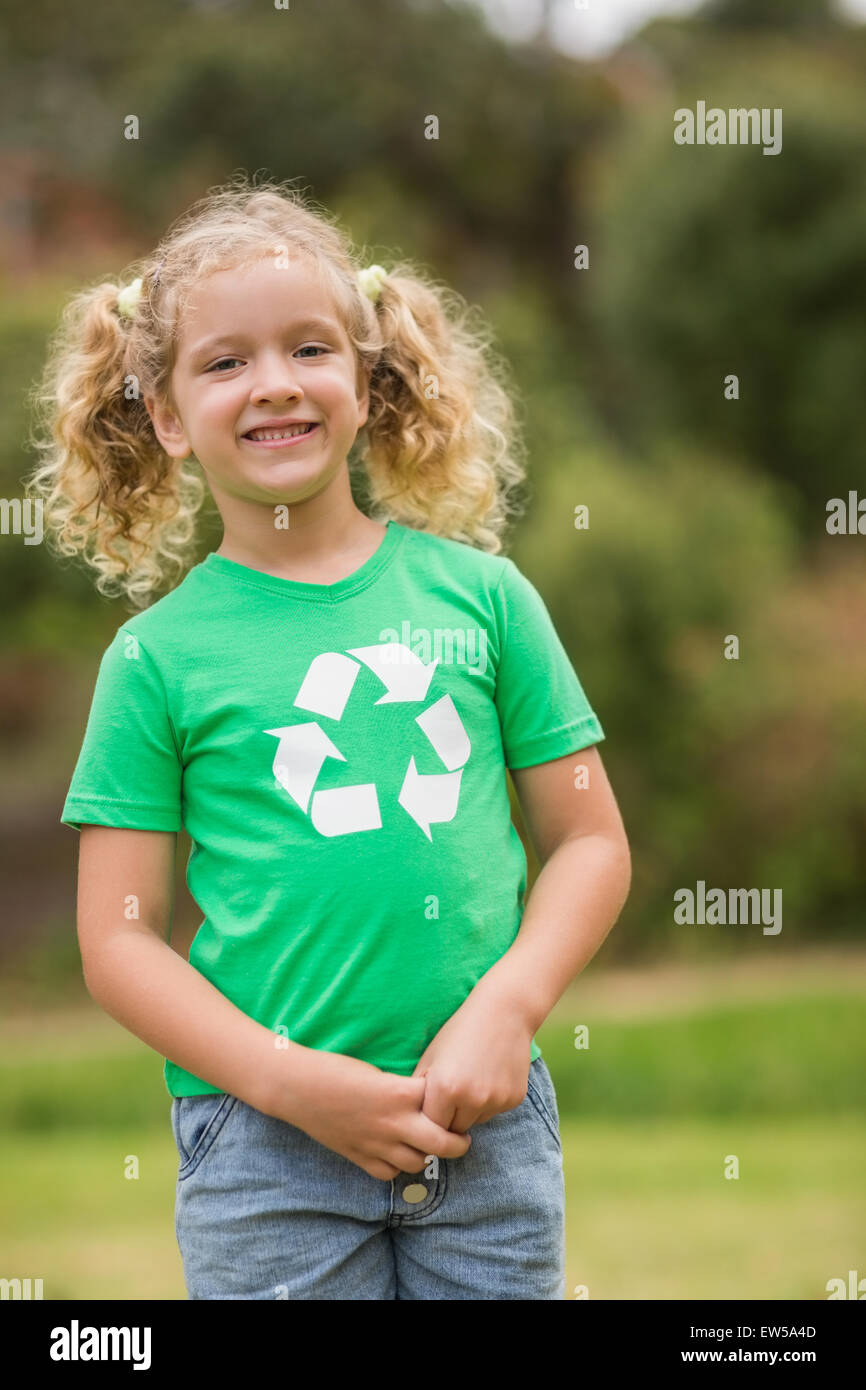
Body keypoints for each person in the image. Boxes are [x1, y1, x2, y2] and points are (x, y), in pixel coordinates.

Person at [28, 172, 631, 1300]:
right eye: (223, 361)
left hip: (483, 1124)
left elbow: (590, 844)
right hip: (264, 1152)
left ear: (365, 375)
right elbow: (118, 942)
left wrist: (507, 1009)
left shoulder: (487, 601)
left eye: (309, 348)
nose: (273, 385)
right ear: (163, 414)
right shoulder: (156, 660)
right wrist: (288, 1083)